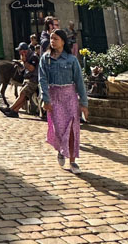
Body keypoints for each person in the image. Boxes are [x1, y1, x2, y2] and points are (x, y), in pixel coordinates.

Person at [39, 28, 89, 175]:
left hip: (69, 97)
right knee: (59, 129)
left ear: (62, 41)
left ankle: (73, 160)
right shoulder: (46, 58)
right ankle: (61, 150)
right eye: (51, 39)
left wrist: (84, 103)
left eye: (56, 39)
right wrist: (45, 98)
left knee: (73, 129)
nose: (53, 42)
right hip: (54, 97)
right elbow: (42, 79)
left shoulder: (71, 59)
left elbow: (79, 81)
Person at [0, 42, 40, 118]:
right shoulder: (28, 56)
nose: (19, 52)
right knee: (25, 96)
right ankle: (15, 111)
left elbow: (31, 68)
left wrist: (24, 61)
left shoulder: (33, 57)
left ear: (25, 51)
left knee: (23, 94)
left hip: (33, 80)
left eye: (20, 51)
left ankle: (10, 109)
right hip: (27, 78)